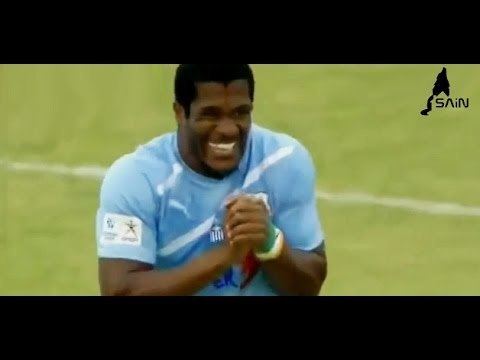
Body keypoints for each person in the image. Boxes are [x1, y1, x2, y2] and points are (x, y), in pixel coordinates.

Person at [95, 64, 327, 296]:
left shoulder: (283, 160)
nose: (228, 129)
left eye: (240, 113)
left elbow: (309, 285)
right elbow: (120, 291)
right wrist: (226, 256)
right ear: (179, 112)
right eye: (210, 114)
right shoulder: (136, 180)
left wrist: (271, 243)